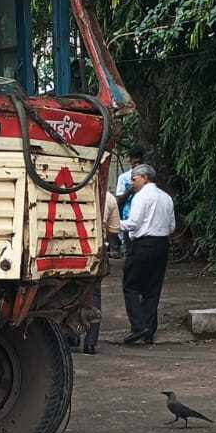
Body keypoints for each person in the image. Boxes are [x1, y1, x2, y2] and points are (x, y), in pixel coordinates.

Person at [121, 164, 175, 344]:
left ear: (144, 178)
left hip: (143, 244)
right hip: (162, 245)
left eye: (134, 179)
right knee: (153, 289)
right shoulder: (166, 197)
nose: (132, 183)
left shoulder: (141, 196)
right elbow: (172, 226)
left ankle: (139, 325)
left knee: (131, 286)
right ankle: (149, 331)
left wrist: (115, 225)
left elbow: (134, 223)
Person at [82, 186, 123, 353]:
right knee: (94, 294)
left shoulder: (68, 191)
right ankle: (91, 342)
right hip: (96, 251)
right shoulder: (109, 198)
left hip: (69, 250)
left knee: (67, 293)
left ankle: (70, 336)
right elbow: (114, 230)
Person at [115, 148, 145, 254]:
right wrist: (131, 189)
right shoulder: (124, 178)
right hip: (128, 215)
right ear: (130, 161)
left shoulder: (147, 177)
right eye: (134, 162)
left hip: (144, 216)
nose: (137, 165)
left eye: (139, 162)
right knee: (130, 249)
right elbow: (119, 199)